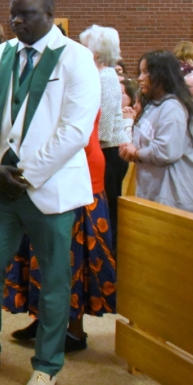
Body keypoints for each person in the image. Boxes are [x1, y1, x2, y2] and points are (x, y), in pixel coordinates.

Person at [0, 0, 99, 385]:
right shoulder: (1, 55)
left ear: (51, 14)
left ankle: (47, 365)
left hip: (48, 187)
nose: (17, 22)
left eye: (27, 14)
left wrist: (27, 172)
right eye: (14, 14)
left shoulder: (77, 58)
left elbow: (75, 129)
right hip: (1, 185)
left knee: (54, 279)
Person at [4, 112, 117, 353]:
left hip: (78, 175)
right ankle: (44, 319)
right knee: (42, 253)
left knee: (71, 259)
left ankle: (74, 329)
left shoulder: (81, 77)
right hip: (45, 174)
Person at [119, 50, 193, 214]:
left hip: (174, 199)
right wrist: (130, 150)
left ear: (162, 75)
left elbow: (167, 152)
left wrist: (137, 153)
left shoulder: (173, 108)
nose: (140, 78)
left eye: (146, 72)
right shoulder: (154, 105)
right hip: (153, 194)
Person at [79, 25, 129, 252]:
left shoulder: (106, 78)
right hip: (102, 151)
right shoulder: (98, 76)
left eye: (84, 48)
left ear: (96, 54)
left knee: (109, 210)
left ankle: (111, 261)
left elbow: (104, 129)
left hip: (109, 152)